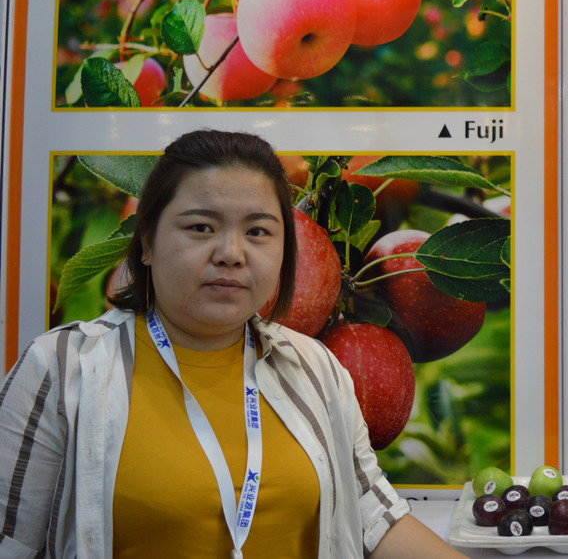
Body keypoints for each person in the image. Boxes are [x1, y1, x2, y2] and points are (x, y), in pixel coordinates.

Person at [0, 129, 468, 558]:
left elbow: (378, 520)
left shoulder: (315, 368)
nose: (231, 253)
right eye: (201, 227)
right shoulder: (63, 369)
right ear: (146, 243)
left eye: (258, 231)